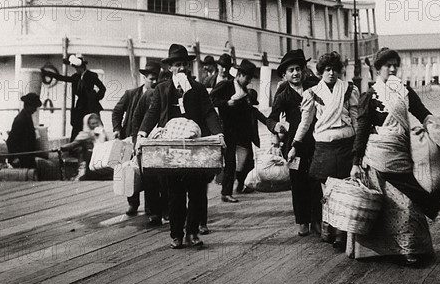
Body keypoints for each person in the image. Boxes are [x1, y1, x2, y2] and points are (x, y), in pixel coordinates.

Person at [350, 48, 440, 265]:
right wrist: (355, 162)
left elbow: (423, 114)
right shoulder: (369, 96)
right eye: (388, 65)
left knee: (409, 206)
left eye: (396, 64)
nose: (393, 68)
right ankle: (376, 251)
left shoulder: (405, 92)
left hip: (401, 157)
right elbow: (362, 130)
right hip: (377, 157)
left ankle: (410, 249)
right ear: (378, 69)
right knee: (383, 206)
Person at [137, 43, 223, 249]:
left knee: (197, 193)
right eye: (177, 64)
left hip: (195, 147)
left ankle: (192, 232)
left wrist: (218, 133)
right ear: (170, 68)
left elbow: (209, 112)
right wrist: (141, 133)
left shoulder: (199, 89)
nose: (182, 68)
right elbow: (153, 113)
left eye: (185, 64)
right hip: (171, 148)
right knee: (174, 194)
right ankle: (176, 234)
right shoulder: (162, 89)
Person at [288, 51, 359, 250]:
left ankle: (342, 233)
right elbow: (305, 122)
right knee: (328, 192)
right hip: (324, 147)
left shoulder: (348, 89)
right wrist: (295, 145)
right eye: (327, 70)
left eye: (335, 70)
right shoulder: (312, 93)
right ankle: (330, 228)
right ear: (320, 72)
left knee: (345, 190)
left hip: (345, 145)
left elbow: (355, 119)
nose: (331, 73)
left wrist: (360, 145)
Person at [266, 49, 321, 237]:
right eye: (291, 70)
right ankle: (302, 222)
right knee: (298, 184)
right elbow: (270, 118)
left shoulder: (314, 87)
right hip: (293, 147)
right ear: (285, 74)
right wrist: (276, 126)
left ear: (303, 70)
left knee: (315, 181)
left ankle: (317, 220)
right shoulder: (283, 95)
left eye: (298, 69)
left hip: (315, 141)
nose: (295, 73)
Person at [112, 61, 161, 217]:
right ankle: (133, 203)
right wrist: (117, 129)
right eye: (151, 79)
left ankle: (150, 208)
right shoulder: (131, 93)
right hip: (129, 138)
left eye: (156, 79)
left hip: (149, 139)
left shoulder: (159, 94)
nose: (154, 82)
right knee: (128, 170)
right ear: (144, 78)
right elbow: (117, 111)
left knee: (148, 173)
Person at [210, 59, 258, 203]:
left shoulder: (245, 91)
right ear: (240, 75)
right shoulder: (226, 85)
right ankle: (226, 192)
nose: (248, 81)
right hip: (228, 129)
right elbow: (211, 99)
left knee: (247, 160)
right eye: (247, 78)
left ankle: (241, 185)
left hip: (242, 131)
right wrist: (226, 104)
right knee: (230, 162)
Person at [131, 69, 171, 226]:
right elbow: (136, 118)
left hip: (164, 142)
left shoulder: (172, 97)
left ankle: (165, 210)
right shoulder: (148, 96)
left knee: (165, 179)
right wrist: (137, 140)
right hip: (148, 143)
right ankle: (154, 211)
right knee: (150, 178)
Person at [41, 54, 106, 141]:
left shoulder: (91, 76)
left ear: (82, 67)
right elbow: (63, 78)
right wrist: (49, 74)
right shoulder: (76, 77)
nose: (76, 70)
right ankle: (74, 147)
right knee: (77, 126)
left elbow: (102, 88)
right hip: (80, 105)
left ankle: (98, 144)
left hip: (90, 105)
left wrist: (95, 98)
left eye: (77, 68)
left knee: (94, 125)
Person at [61, 113, 108, 180]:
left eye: (96, 123)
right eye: (92, 124)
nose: (95, 125)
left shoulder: (102, 133)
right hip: (89, 159)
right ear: (88, 124)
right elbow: (74, 144)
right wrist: (63, 147)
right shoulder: (84, 134)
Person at [6, 93, 42, 169]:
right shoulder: (21, 119)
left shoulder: (27, 117)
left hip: (27, 157)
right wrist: (14, 157)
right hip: (21, 159)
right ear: (29, 105)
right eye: (34, 106)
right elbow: (11, 141)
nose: (35, 110)